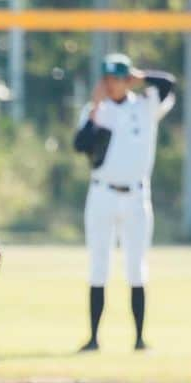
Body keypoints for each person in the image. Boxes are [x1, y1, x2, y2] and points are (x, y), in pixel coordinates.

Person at [72, 52, 176, 352]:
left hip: (136, 196)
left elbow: (169, 84)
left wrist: (141, 76)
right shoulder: (96, 110)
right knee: (98, 266)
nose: (114, 83)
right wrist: (94, 107)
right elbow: (81, 145)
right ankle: (93, 338)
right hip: (102, 193)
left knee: (136, 266)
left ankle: (139, 339)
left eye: (119, 77)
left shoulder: (145, 106)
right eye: (109, 78)